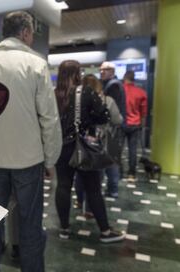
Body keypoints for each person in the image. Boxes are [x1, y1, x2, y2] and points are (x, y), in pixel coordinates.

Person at [0, 11, 62, 272]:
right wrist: (51, 159)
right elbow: (49, 119)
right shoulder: (36, 64)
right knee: (30, 223)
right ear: (26, 33)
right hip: (28, 159)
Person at [54, 60, 125, 243]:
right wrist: (87, 120)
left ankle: (64, 228)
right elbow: (104, 115)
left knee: (63, 186)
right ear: (77, 73)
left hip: (60, 147)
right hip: (83, 146)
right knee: (93, 188)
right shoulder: (84, 91)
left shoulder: (53, 94)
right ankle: (105, 231)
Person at [74, 74, 123, 213]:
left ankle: (80, 200)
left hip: (82, 143)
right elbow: (117, 120)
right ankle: (106, 196)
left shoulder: (77, 101)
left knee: (82, 173)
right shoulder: (108, 100)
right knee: (102, 175)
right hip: (102, 142)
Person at [100, 61, 126, 191]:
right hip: (113, 127)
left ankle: (113, 188)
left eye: (105, 70)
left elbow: (111, 109)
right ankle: (112, 188)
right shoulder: (113, 84)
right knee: (112, 158)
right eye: (101, 70)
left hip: (112, 128)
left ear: (112, 71)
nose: (102, 72)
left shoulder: (113, 86)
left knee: (111, 159)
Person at [123, 70, 148, 181]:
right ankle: (131, 174)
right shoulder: (141, 92)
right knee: (133, 150)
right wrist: (142, 125)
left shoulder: (120, 90)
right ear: (134, 79)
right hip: (135, 124)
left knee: (118, 149)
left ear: (124, 78)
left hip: (122, 123)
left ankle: (117, 172)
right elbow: (143, 112)